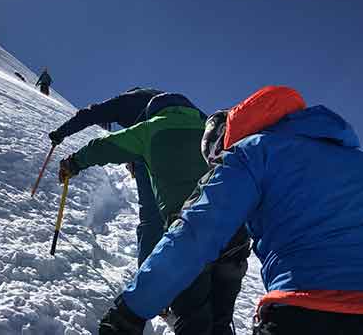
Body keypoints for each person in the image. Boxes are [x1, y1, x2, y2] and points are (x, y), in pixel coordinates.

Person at [96, 86, 363, 335]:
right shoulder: (355, 159)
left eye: (215, 159)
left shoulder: (251, 152)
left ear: (225, 138)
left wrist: (130, 310)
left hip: (304, 311)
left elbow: (195, 233)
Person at [58, 92, 249, 335]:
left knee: (194, 317)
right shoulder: (210, 129)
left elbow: (102, 147)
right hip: (233, 236)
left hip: (189, 236)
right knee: (221, 321)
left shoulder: (148, 129)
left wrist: (72, 163)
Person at [48, 87, 165, 267]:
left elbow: (89, 115)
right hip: (197, 142)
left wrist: (60, 134)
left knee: (152, 219)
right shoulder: (167, 100)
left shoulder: (124, 102)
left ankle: (150, 282)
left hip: (152, 148)